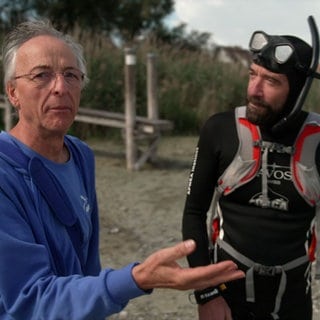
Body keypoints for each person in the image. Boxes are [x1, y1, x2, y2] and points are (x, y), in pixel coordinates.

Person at [0, 20, 245, 319]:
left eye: (71, 75)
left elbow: (87, 265)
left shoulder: (80, 155)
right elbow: (29, 299)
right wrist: (137, 279)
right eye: (41, 75)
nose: (60, 87)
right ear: (13, 92)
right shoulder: (5, 172)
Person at [182, 24, 320, 320]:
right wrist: (206, 295)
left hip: (294, 296)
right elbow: (194, 214)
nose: (254, 91)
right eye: (252, 74)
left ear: (297, 91)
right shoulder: (219, 130)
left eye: (271, 81)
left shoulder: (317, 139)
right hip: (228, 294)